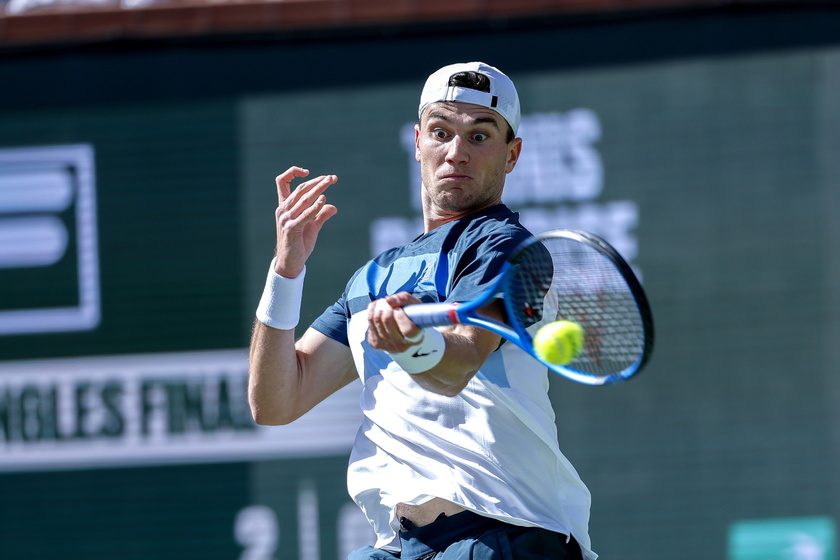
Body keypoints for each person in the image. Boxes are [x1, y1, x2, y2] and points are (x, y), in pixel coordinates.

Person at [248, 62, 595, 560]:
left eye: (480, 136)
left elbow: (458, 364)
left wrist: (413, 342)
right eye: (441, 132)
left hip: (504, 536)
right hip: (400, 545)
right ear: (417, 142)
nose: (456, 152)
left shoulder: (509, 249)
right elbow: (275, 402)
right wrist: (285, 271)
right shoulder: (370, 280)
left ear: (511, 154)